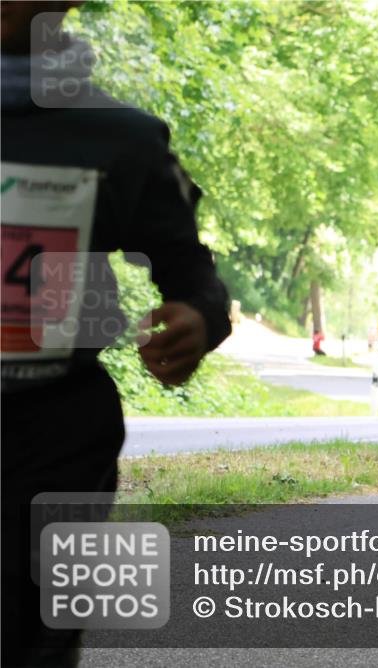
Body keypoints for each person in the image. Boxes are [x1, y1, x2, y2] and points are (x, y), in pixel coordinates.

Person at [1, 3, 232, 666]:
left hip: (54, 444)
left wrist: (197, 319)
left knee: (34, 641)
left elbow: (193, 273)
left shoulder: (122, 138)